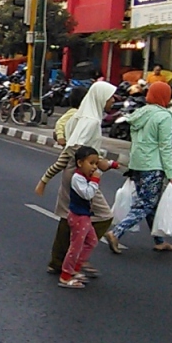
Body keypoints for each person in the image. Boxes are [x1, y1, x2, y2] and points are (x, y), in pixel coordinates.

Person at [36, 80, 120, 273]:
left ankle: (58, 262)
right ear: (100, 98)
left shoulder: (80, 116)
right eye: (110, 97)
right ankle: (77, 257)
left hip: (71, 171)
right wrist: (99, 162)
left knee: (68, 216)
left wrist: (46, 179)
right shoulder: (91, 121)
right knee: (104, 215)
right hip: (81, 174)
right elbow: (75, 148)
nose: (113, 101)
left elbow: (70, 146)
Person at [107, 81, 172, 252]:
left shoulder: (140, 113)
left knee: (151, 203)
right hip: (153, 166)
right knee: (146, 204)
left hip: (137, 164)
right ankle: (116, 232)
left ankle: (159, 240)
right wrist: (170, 172)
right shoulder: (164, 117)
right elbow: (165, 146)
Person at [60, 146, 105, 289]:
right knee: (76, 247)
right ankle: (65, 276)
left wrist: (111, 165)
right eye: (91, 163)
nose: (94, 167)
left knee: (91, 241)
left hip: (84, 216)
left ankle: (75, 268)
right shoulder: (77, 178)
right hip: (78, 217)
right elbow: (87, 194)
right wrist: (95, 181)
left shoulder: (85, 176)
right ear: (80, 163)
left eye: (96, 163)